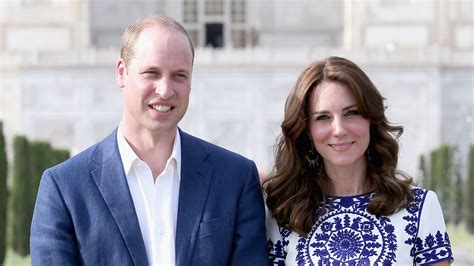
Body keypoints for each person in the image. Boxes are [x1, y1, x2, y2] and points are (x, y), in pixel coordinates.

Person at [30, 15, 268, 265]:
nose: (165, 90)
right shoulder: (64, 188)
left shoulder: (235, 178)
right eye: (151, 73)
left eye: (179, 76)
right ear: (122, 73)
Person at [264, 56, 453, 265]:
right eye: (323, 117)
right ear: (307, 130)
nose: (339, 130)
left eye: (351, 113)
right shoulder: (282, 214)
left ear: (371, 119)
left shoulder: (419, 208)